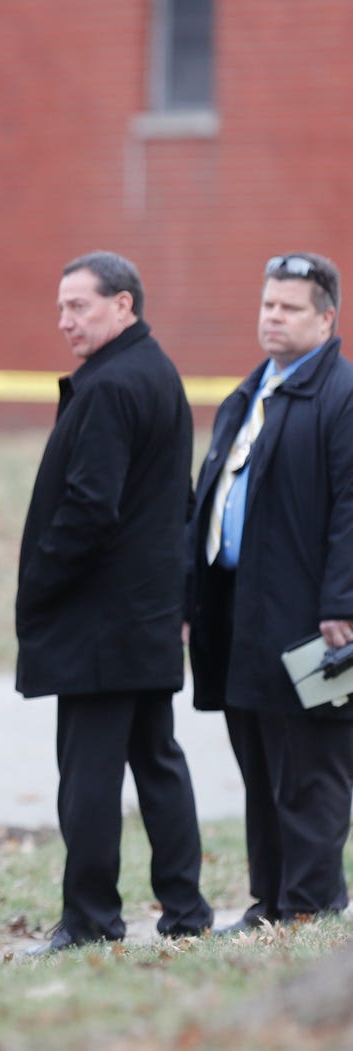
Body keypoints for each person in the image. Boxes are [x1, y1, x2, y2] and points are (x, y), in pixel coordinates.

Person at [16, 250, 213, 953]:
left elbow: (88, 508)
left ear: (122, 305)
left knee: (90, 773)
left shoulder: (109, 386)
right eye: (61, 306)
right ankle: (186, 911)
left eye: (79, 305)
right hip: (146, 615)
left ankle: (90, 918)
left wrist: (40, 579)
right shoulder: (155, 371)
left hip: (100, 621)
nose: (64, 319)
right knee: (156, 759)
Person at [187, 253, 353, 931]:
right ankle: (269, 900)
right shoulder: (256, 389)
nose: (272, 317)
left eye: (288, 308)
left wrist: (342, 601)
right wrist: (189, 599)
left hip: (312, 620)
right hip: (238, 607)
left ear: (325, 318)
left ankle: (311, 903)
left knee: (309, 763)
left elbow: (350, 504)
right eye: (266, 305)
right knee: (256, 758)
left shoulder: (339, 395)